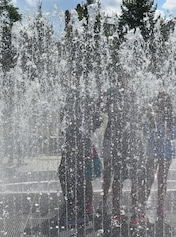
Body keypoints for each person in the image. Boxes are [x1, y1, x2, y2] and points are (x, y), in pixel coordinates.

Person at [100, 73, 146, 226]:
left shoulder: (132, 95)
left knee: (135, 180)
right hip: (118, 143)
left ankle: (135, 213)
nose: (124, 81)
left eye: (127, 78)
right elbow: (105, 110)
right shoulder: (112, 94)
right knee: (117, 179)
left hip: (131, 143)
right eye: (122, 78)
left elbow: (139, 118)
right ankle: (116, 212)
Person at [58, 87, 101, 226]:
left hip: (80, 141)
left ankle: (80, 210)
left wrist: (87, 135)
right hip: (72, 139)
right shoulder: (71, 96)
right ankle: (75, 206)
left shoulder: (84, 97)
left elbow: (97, 119)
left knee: (77, 174)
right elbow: (63, 115)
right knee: (65, 172)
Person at [143, 91, 176, 218]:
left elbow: (174, 134)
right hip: (152, 150)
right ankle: (144, 202)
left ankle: (160, 206)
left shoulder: (171, 117)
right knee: (149, 177)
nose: (162, 103)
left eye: (165, 101)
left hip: (166, 151)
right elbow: (146, 132)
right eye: (160, 100)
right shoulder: (152, 115)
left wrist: (164, 133)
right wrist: (157, 128)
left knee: (162, 180)